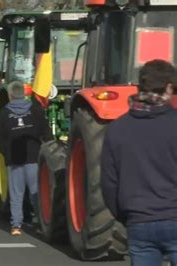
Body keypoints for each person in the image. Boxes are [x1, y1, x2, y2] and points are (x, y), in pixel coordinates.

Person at [101, 59, 177, 266]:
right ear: (169, 88)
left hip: (139, 221)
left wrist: (126, 216)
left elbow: (109, 183)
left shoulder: (117, 129)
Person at [0, 80, 53, 236]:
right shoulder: (35, 110)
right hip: (34, 157)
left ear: (10, 95)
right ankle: (41, 224)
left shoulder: (3, 114)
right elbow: (47, 133)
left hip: (14, 160)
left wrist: (7, 153)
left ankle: (16, 226)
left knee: (16, 194)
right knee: (36, 192)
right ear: (24, 93)